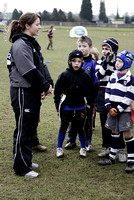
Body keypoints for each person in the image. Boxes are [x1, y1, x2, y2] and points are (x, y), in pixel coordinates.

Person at [7, 12, 54, 178]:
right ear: (27, 26)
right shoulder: (20, 44)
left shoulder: (31, 43)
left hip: (32, 90)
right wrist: (44, 85)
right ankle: (21, 167)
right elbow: (29, 71)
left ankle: (24, 160)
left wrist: (48, 83)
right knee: (24, 128)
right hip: (22, 91)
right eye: (37, 24)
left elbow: (41, 65)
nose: (40, 27)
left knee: (30, 126)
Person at [54, 49, 95, 158]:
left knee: (80, 127)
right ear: (69, 62)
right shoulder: (64, 75)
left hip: (80, 107)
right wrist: (58, 106)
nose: (76, 63)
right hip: (66, 107)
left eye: (79, 61)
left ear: (82, 62)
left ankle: (83, 147)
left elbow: (91, 91)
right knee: (63, 126)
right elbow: (57, 91)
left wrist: (89, 103)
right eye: (74, 61)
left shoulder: (85, 76)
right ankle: (59, 148)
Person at [98, 50, 134, 173]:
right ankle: (112, 157)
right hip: (112, 110)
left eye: (120, 61)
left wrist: (118, 109)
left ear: (127, 63)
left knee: (127, 134)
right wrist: (108, 106)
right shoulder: (113, 75)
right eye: (117, 61)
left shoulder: (130, 78)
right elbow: (107, 91)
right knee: (114, 132)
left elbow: (129, 96)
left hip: (123, 111)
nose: (117, 63)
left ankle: (131, 161)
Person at [65, 36, 98, 152]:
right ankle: (71, 140)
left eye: (84, 46)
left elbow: (95, 82)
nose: (81, 49)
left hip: (87, 98)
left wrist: (91, 97)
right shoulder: (74, 61)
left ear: (90, 47)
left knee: (87, 120)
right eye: (79, 46)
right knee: (73, 119)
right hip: (74, 98)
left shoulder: (93, 64)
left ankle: (88, 142)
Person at [95, 38, 126, 162]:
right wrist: (105, 62)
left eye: (107, 49)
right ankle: (107, 146)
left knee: (117, 122)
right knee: (105, 123)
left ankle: (120, 149)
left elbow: (118, 74)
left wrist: (112, 61)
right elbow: (99, 75)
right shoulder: (99, 62)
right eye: (103, 48)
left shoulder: (118, 63)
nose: (104, 51)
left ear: (113, 50)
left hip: (115, 94)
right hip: (102, 93)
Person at [32, 62, 54, 151]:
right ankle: (26, 145)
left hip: (37, 94)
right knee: (28, 120)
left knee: (35, 119)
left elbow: (45, 73)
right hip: (27, 92)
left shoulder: (40, 59)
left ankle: (34, 142)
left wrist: (47, 88)